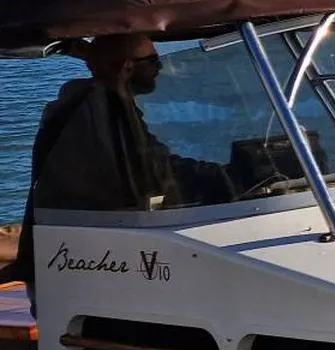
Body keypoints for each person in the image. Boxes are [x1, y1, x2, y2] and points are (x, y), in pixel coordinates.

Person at [15, 37, 244, 277]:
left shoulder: (103, 102)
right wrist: (223, 177)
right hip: (97, 244)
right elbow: (150, 167)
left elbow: (151, 160)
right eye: (153, 61)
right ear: (127, 67)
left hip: (96, 232)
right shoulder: (98, 110)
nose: (160, 67)